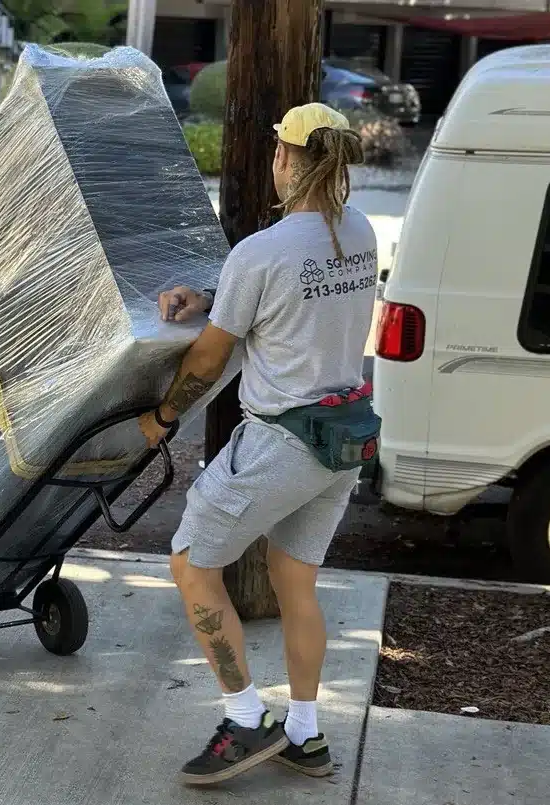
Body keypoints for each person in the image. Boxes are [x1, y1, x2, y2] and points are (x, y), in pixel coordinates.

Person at [138, 103, 377, 786]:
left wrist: (163, 416)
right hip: (342, 440)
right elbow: (289, 293)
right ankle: (304, 734)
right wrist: (212, 295)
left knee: (191, 564)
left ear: (286, 159)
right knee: (295, 581)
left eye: (279, 149)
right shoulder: (358, 231)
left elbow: (209, 358)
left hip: (280, 443)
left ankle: (245, 720)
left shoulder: (262, 250)